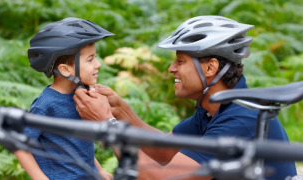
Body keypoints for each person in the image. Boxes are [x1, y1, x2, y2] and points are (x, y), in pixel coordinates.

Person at [73, 16, 297, 180]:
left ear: (211, 67)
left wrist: (108, 125)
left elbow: (161, 178)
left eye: (180, 61)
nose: (171, 68)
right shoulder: (214, 109)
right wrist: (121, 112)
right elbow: (164, 152)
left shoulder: (240, 119)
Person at [14, 17, 114, 180]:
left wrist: (99, 170)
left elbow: (79, 146)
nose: (98, 64)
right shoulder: (46, 105)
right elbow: (20, 145)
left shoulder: (82, 98)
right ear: (65, 70)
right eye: (90, 59)